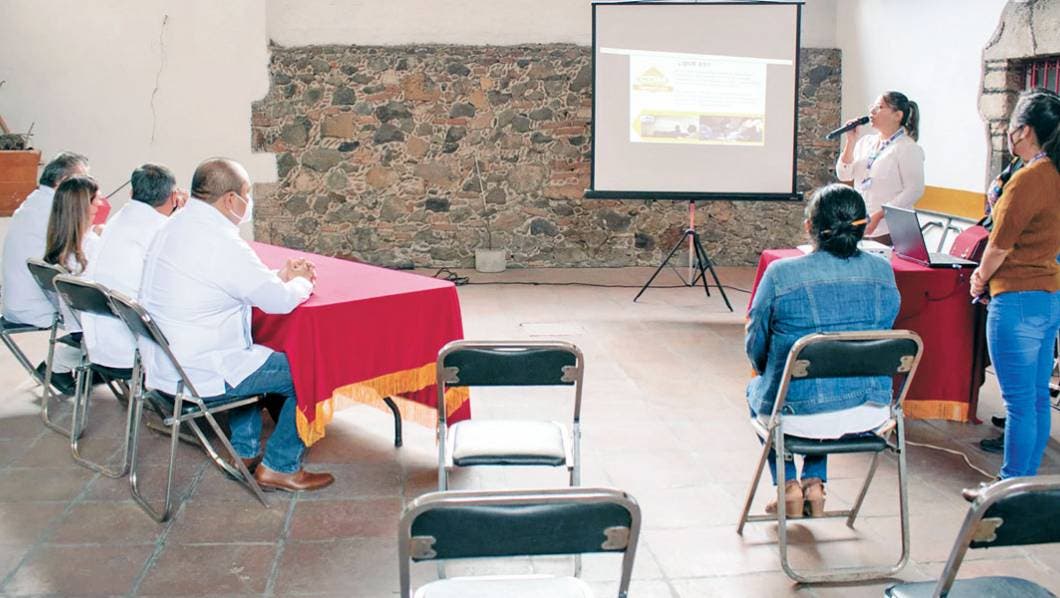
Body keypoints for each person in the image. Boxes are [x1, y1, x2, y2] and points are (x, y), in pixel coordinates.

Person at [139, 157, 330, 492]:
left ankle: (244, 450)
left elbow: (228, 282)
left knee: (256, 351)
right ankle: (280, 466)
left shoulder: (174, 226)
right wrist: (302, 281)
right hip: (202, 371)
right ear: (230, 199)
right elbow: (279, 302)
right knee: (313, 368)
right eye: (247, 193)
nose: (249, 201)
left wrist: (280, 275)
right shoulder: (221, 241)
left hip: (167, 367)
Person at [746, 184, 901, 517]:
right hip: (871, 412)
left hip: (796, 414)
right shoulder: (883, 272)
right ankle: (815, 483)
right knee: (831, 379)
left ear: (809, 226)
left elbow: (756, 340)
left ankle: (788, 485)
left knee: (759, 390)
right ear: (864, 227)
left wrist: (764, 369)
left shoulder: (781, 274)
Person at [968, 89, 1060, 483]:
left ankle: (1009, 485)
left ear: (1024, 131)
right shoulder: (1053, 173)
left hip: (1017, 298)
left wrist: (979, 278)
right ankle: (1024, 482)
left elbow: (999, 245)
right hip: (1048, 297)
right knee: (1037, 398)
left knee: (1019, 404)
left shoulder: (1028, 179)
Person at [83, 164, 186, 369]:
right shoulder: (161, 231)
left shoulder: (118, 219)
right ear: (174, 197)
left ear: (131, 192)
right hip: (134, 347)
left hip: (98, 341)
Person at [2, 151, 89, 328]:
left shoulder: (34, 202)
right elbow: (77, 262)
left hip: (14, 303)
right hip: (37, 310)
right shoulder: (54, 211)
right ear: (63, 181)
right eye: (83, 180)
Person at [836, 91, 925, 244]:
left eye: (879, 107)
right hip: (862, 224)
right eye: (872, 106)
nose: (872, 111)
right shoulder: (865, 143)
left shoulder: (907, 147)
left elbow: (914, 190)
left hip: (891, 229)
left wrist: (879, 215)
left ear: (897, 115)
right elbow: (844, 175)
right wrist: (851, 141)